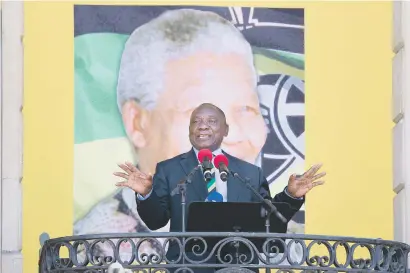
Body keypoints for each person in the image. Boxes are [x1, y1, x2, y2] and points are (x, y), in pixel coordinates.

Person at [114, 103, 325, 271]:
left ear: (225, 130)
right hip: (188, 267)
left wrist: (290, 196)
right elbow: (155, 220)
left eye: (212, 121)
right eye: (196, 121)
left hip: (240, 266)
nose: (203, 126)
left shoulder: (249, 173)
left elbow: (268, 221)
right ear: (190, 131)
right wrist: (146, 193)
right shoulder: (169, 170)